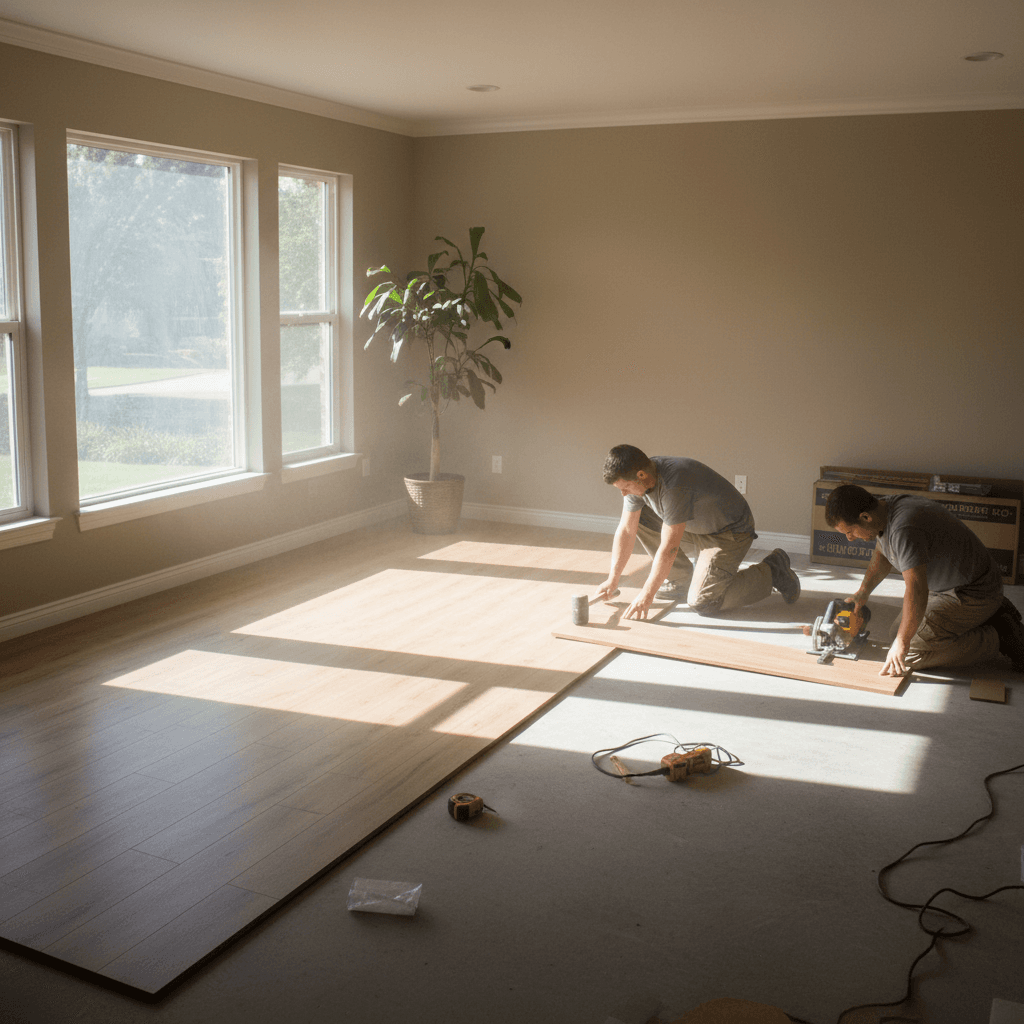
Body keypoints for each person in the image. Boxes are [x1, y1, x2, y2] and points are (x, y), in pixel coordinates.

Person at [824, 483, 1024, 676]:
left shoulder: (904, 528)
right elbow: (882, 554)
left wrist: (903, 642)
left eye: (849, 531)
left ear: (865, 517)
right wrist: (863, 592)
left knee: (906, 653)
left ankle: (997, 636)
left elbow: (917, 589)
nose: (849, 538)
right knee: (897, 634)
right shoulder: (884, 509)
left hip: (973, 592)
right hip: (955, 584)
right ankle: (988, 615)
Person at [594, 444, 800, 621]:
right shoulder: (641, 479)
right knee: (640, 519)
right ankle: (680, 580)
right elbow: (627, 530)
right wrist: (613, 579)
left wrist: (647, 594)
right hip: (697, 526)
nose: (623, 493)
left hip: (728, 533)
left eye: (626, 487)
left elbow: (669, 547)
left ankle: (773, 570)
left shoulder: (674, 485)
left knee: (704, 602)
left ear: (641, 475)